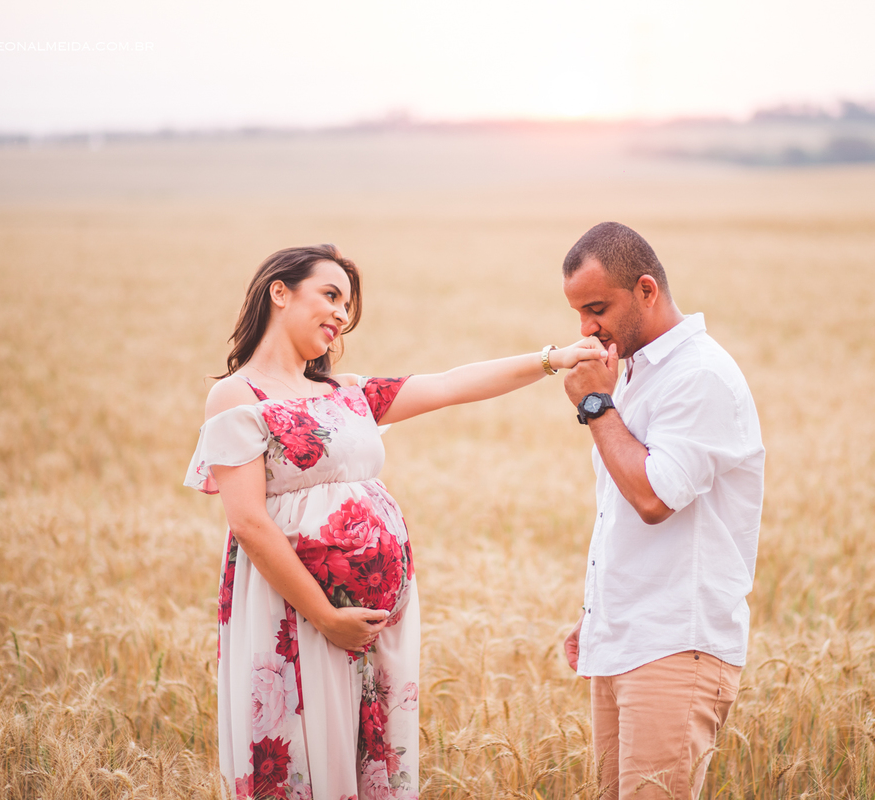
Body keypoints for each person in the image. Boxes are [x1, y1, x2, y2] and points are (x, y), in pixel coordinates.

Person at [183, 244, 603, 800]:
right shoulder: (237, 396)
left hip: (380, 624)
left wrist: (555, 359)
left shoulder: (347, 393)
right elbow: (249, 523)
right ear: (278, 292)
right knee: (306, 759)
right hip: (296, 617)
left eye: (347, 306)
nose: (340, 314)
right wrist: (326, 616)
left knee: (364, 760)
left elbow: (453, 383)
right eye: (329, 295)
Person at [559, 223, 765, 800]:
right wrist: (599, 611)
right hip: (625, 638)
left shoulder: (698, 375)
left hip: (676, 648)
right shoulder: (633, 371)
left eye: (596, 308)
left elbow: (652, 498)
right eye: (578, 312)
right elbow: (619, 512)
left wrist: (596, 407)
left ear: (646, 290)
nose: (585, 328)